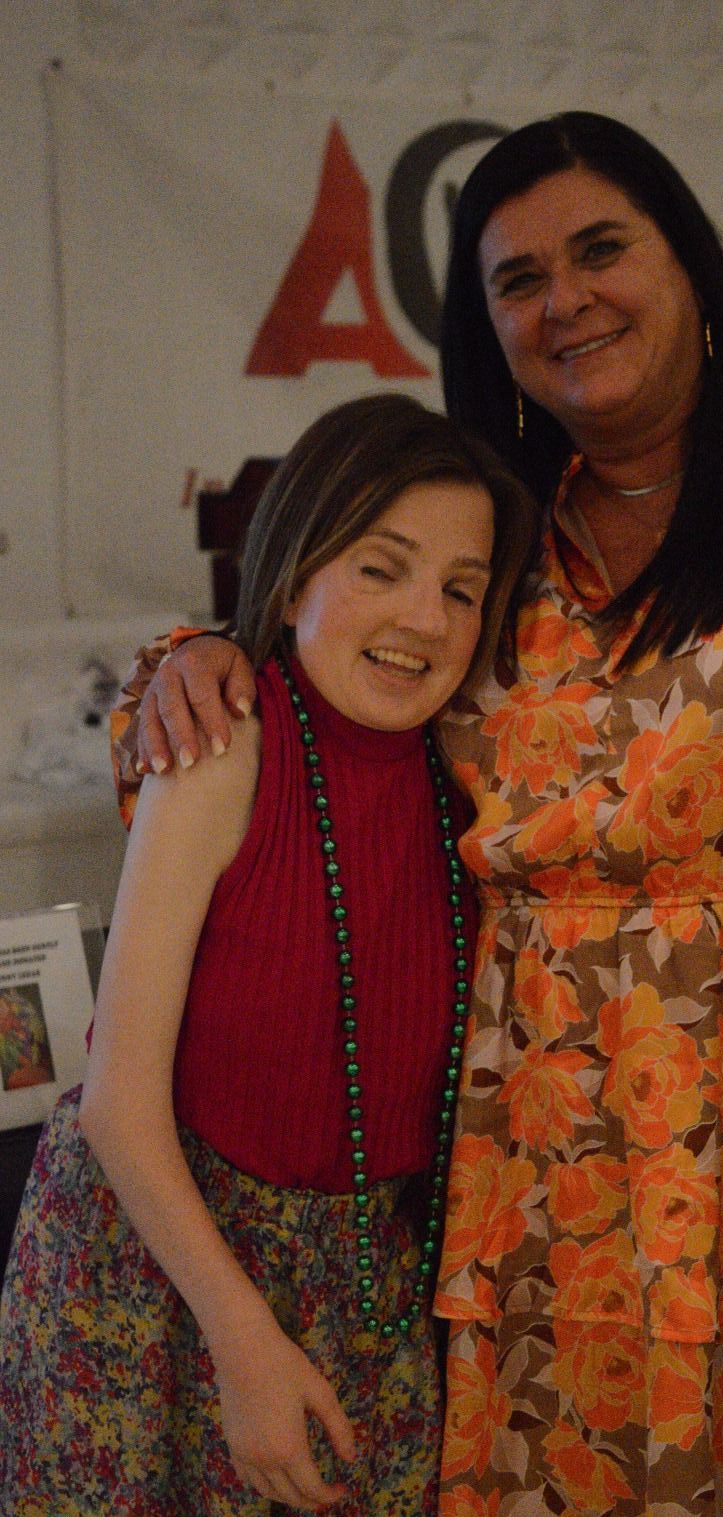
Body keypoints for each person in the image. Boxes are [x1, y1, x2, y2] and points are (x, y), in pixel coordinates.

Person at [110, 114, 723, 1517]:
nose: (566, 299)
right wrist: (197, 654)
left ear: (684, 263)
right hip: (545, 1143)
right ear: (484, 329)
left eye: (600, 249)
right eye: (517, 280)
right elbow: (350, 643)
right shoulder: (497, 530)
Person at [0, 394, 538, 1516]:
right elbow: (116, 1103)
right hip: (157, 1268)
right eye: (381, 567)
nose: (425, 619)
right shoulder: (226, 737)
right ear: (296, 573)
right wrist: (244, 1339)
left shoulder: (468, 781)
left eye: (460, 587)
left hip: (363, 1281)